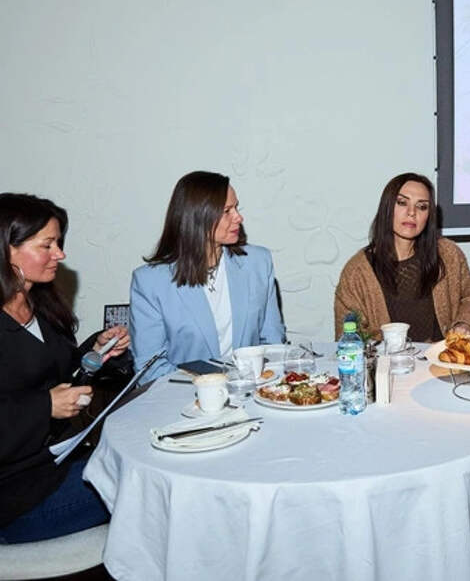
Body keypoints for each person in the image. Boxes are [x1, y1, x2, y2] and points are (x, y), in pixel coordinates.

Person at [0, 193, 130, 542]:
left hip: (56, 461)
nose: (60, 254)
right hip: (14, 497)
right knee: (145, 482)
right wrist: (45, 407)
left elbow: (57, 370)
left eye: (58, 243)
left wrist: (97, 350)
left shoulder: (40, 305)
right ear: (6, 250)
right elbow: (39, 394)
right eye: (47, 245)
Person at [130, 171, 284, 382]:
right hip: (185, 395)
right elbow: (150, 368)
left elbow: (273, 344)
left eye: (236, 208)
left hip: (253, 389)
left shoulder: (258, 262)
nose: (238, 217)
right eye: (227, 211)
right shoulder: (150, 282)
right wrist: (212, 386)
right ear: (198, 217)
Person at [334, 173, 470, 341]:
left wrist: (465, 324)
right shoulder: (357, 272)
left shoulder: (448, 254)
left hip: (442, 355)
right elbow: (347, 337)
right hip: (386, 358)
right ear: (387, 207)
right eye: (402, 203)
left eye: (422, 207)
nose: (412, 212)